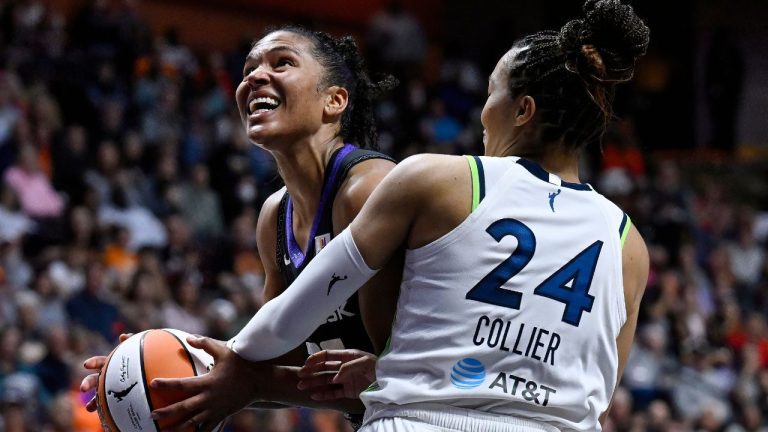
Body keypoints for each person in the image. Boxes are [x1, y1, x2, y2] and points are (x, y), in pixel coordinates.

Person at [159, 1, 651, 430]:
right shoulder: (628, 243)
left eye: (490, 95)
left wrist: (219, 360)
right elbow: (598, 391)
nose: (482, 114)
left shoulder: (438, 178)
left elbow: (297, 312)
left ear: (521, 110)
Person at [80, 25, 402, 426]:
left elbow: (396, 373)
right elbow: (277, 358)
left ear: (333, 101)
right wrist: (170, 365)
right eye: (249, 68)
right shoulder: (275, 217)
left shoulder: (366, 190)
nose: (255, 76)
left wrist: (246, 383)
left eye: (282, 63)